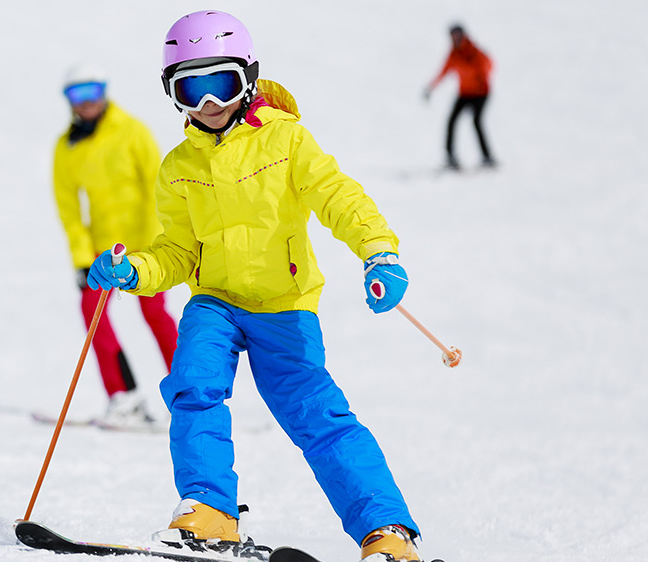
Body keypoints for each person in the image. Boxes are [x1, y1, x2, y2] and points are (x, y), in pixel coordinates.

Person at [85, 11, 426, 562]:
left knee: (316, 415)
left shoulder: (288, 142)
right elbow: (178, 251)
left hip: (283, 305)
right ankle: (210, 512)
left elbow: (338, 196)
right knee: (193, 383)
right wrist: (135, 272)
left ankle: (386, 530)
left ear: (247, 77)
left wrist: (378, 251)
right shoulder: (177, 166)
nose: (209, 104)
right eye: (190, 89)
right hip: (215, 301)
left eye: (220, 83)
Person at [52, 64, 179, 429]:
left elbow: (160, 187)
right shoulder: (68, 147)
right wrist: (81, 257)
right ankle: (123, 396)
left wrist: (161, 244)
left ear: (104, 91)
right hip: (103, 252)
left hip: (144, 248)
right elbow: (69, 208)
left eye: (92, 91)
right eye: (78, 95)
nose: (87, 102)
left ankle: (188, 396)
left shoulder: (132, 131)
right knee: (92, 313)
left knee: (155, 314)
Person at [424, 23, 494, 170]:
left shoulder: (474, 51)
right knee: (451, 121)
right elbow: (443, 71)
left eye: (458, 34)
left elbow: (489, 64)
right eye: (453, 35)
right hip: (465, 93)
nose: (455, 38)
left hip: (481, 93)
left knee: (476, 122)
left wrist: (483, 76)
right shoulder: (454, 54)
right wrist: (431, 87)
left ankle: (487, 157)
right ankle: (450, 157)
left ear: (463, 35)